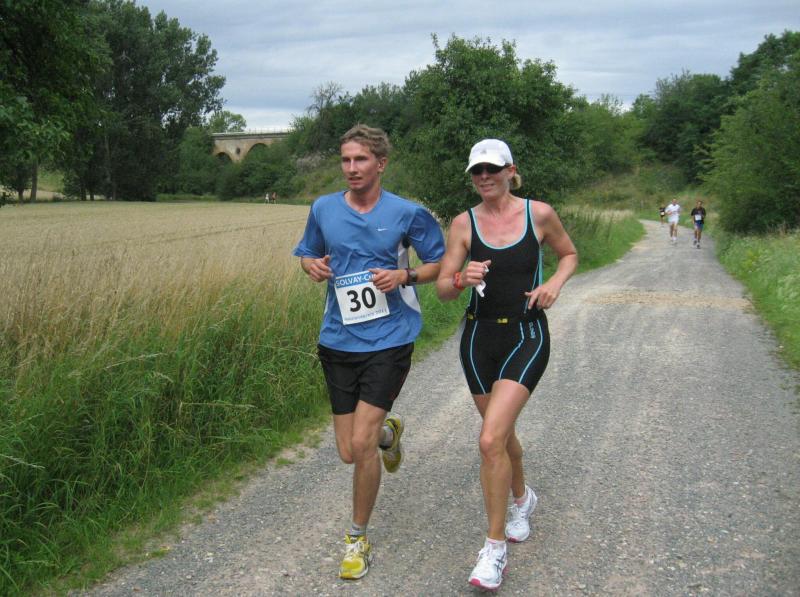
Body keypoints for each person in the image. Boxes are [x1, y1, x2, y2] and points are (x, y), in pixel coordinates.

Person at [293, 124, 445, 580]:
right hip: (337, 340)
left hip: (390, 339)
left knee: (359, 445)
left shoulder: (407, 213)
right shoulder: (323, 208)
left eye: (360, 159)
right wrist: (311, 265)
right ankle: (387, 435)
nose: (352, 168)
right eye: (346, 160)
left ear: (381, 164)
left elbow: (439, 264)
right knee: (349, 450)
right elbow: (307, 253)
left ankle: (357, 538)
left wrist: (405, 276)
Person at [436, 139, 578, 590]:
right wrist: (461, 278)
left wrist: (555, 283)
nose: (484, 177)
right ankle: (522, 498)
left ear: (510, 171)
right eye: (476, 171)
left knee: (489, 438)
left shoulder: (539, 214)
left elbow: (569, 254)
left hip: (526, 333)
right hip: (478, 339)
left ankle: (493, 550)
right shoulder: (463, 223)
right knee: (500, 436)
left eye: (492, 169)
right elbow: (443, 289)